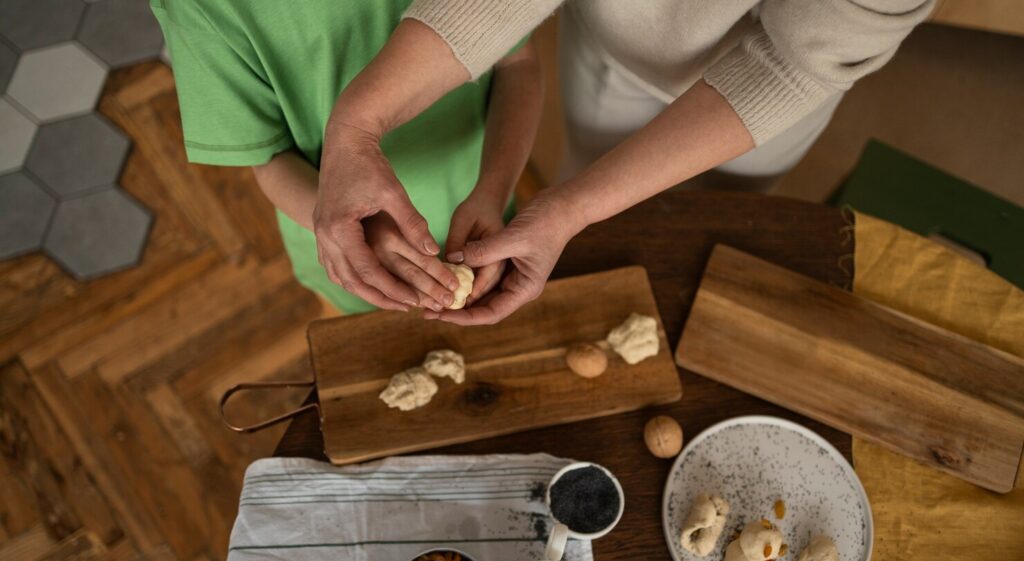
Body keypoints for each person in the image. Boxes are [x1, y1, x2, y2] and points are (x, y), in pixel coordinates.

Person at [316, 0, 934, 324]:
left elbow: (793, 64)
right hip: (611, 46)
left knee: (709, 228)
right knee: (590, 191)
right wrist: (355, 126)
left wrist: (569, 208)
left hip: (759, 107)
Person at [151, 0, 541, 314]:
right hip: (343, 243)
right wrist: (357, 233)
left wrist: (492, 190)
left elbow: (518, 63)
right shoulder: (200, 8)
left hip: (483, 196)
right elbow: (269, 156)